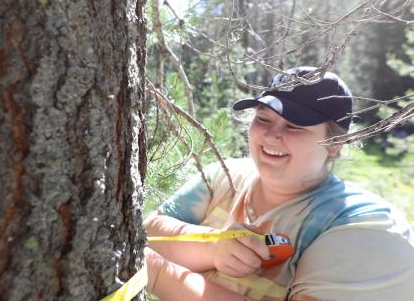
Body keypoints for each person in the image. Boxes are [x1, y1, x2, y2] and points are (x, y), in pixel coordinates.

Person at [143, 66, 414, 301]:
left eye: (294, 126)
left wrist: (155, 274)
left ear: (335, 144)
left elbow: (143, 250)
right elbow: (149, 231)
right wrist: (212, 249)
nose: (272, 135)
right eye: (263, 119)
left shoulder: (363, 223)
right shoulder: (222, 176)